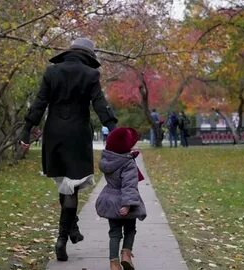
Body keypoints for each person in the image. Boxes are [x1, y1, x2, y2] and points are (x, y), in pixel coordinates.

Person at [18, 38, 118, 261]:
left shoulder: (52, 72)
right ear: (88, 57)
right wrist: (113, 128)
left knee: (66, 184)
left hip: (54, 134)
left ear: (70, 52)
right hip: (77, 135)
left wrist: (26, 129)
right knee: (71, 186)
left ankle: (71, 227)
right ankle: (63, 238)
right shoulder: (91, 75)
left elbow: (40, 102)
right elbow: (99, 104)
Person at [95, 127, 147, 270]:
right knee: (130, 229)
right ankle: (126, 255)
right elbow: (129, 186)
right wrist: (128, 204)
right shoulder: (127, 163)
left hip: (110, 200)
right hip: (125, 202)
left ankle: (114, 263)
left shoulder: (108, 160)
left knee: (114, 233)